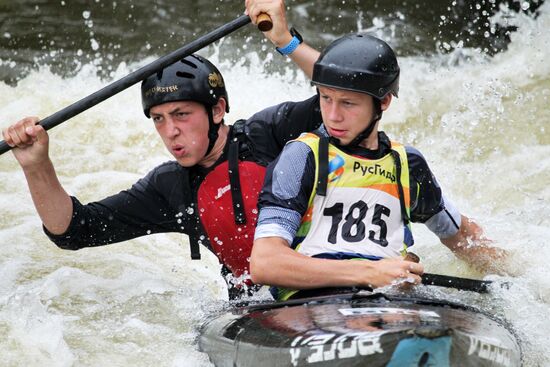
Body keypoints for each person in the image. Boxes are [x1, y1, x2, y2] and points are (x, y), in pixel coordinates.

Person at [1, 0, 322, 300]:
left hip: (332, 278)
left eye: (182, 115)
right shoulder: (171, 188)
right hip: (259, 312)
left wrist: (285, 41)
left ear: (217, 110)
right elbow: (73, 230)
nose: (170, 131)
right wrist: (36, 165)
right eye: (158, 119)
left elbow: (351, 96)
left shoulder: (270, 133)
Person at [250, 33, 508, 301]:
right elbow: (265, 263)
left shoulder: (407, 164)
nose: (333, 115)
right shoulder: (302, 156)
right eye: (326, 98)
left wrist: (524, 277)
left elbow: (465, 240)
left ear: (383, 102)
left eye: (348, 103)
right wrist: (368, 272)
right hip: (309, 306)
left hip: (388, 306)